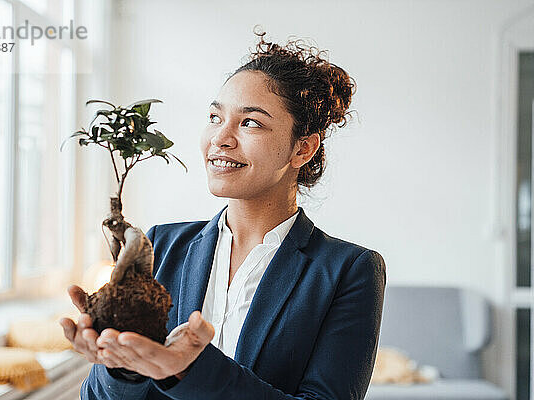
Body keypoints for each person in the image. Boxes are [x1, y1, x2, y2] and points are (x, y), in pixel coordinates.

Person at [60, 28, 387, 400]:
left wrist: (186, 370)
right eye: (215, 117)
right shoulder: (161, 246)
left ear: (302, 149)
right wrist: (121, 368)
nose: (220, 137)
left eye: (250, 122)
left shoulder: (348, 270)